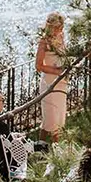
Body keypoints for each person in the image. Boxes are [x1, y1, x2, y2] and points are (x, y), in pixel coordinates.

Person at [36, 13, 68, 141]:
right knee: (49, 118)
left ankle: (52, 148)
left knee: (59, 117)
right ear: (50, 26)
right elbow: (38, 65)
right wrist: (56, 71)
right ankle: (45, 148)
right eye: (57, 27)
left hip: (61, 82)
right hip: (49, 82)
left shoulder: (61, 37)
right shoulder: (44, 41)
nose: (60, 30)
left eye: (61, 27)